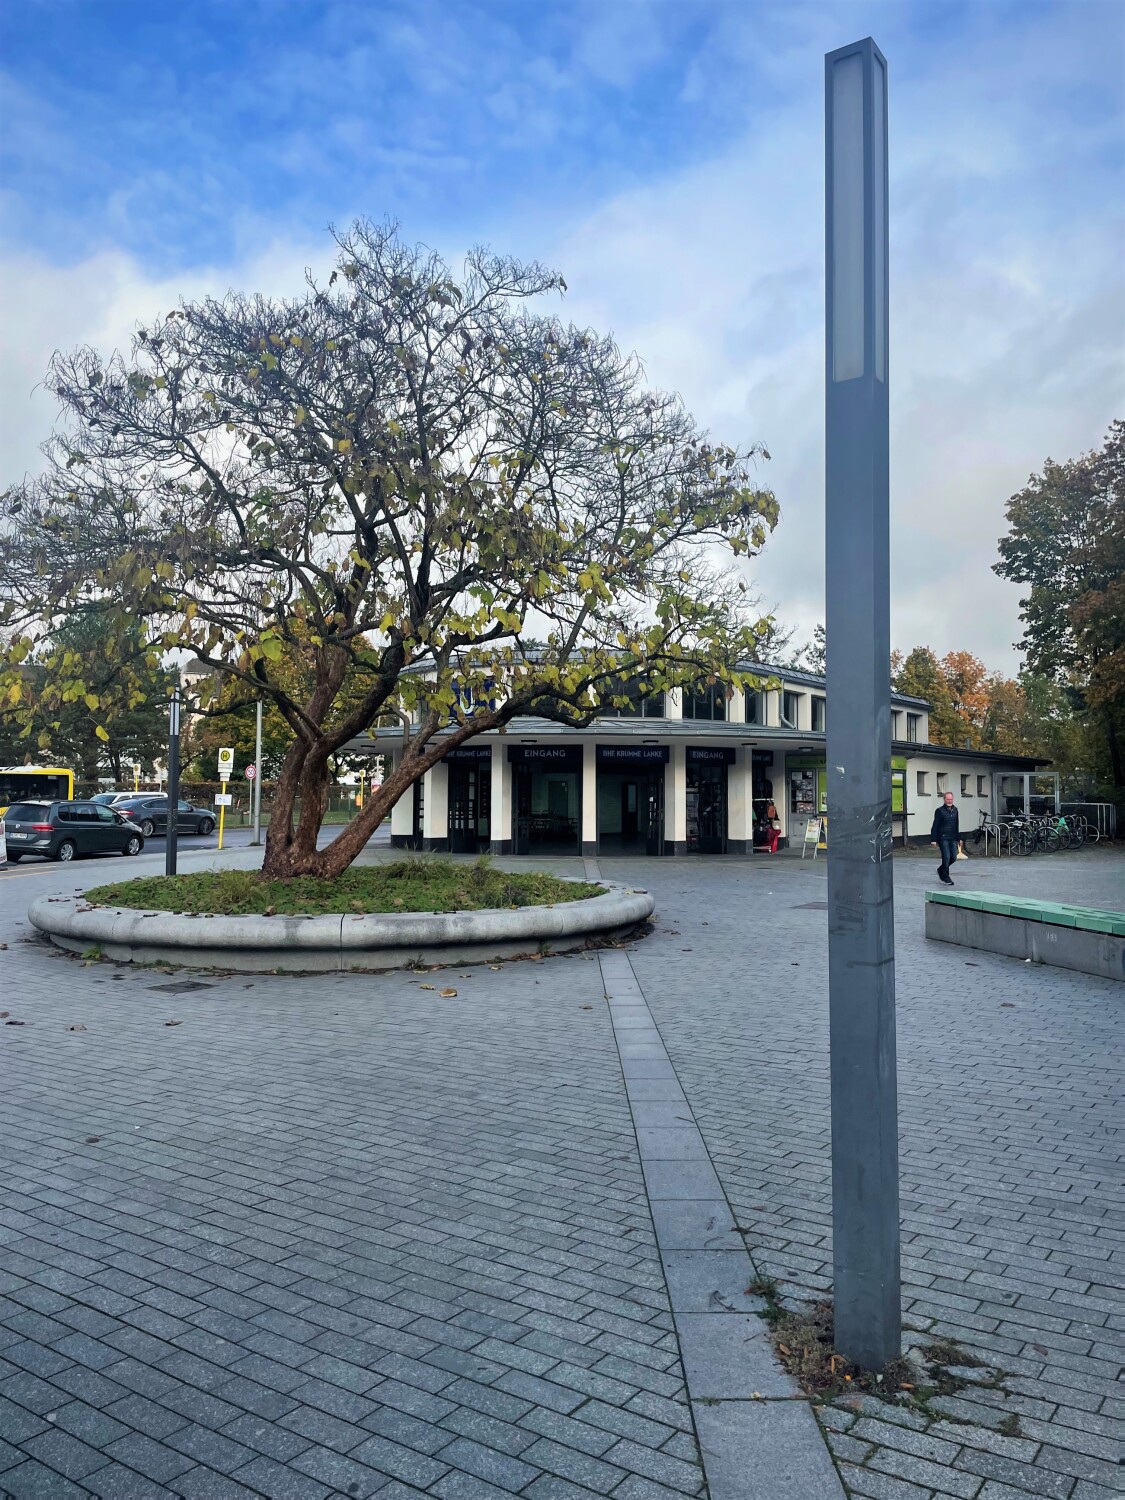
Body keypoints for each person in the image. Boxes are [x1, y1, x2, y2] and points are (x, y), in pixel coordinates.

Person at [931, 790, 960, 885]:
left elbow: (956, 825)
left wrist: (958, 838)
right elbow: (935, 825)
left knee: (954, 857)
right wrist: (933, 839)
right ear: (944, 799)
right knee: (946, 856)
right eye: (948, 799)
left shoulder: (955, 810)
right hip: (942, 837)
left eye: (951, 799)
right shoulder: (939, 811)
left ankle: (941, 869)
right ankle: (946, 877)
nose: (950, 801)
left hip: (952, 837)